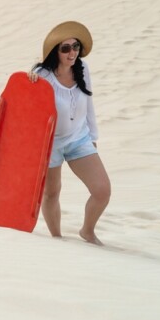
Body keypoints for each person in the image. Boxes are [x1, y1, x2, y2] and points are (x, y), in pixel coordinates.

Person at [28, 21, 111, 245]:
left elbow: (89, 103)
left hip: (78, 139)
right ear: (55, 51)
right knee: (52, 193)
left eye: (75, 46)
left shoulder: (82, 69)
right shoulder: (42, 75)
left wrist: (93, 137)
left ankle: (88, 231)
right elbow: (25, 106)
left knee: (102, 191)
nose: (72, 52)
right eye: (65, 48)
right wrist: (30, 82)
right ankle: (57, 240)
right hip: (50, 144)